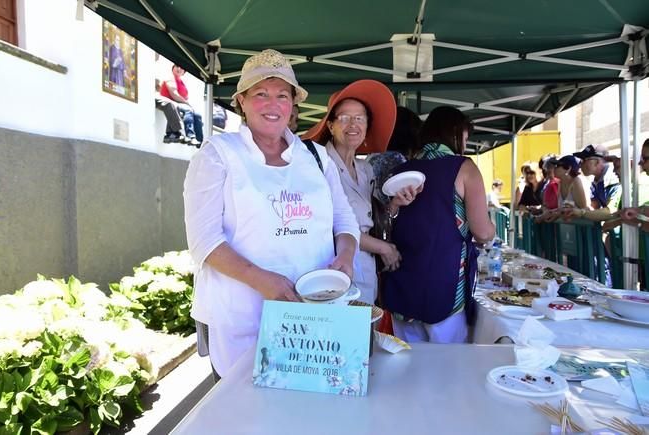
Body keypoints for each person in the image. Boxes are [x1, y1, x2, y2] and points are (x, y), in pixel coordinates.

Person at [183, 49, 360, 378]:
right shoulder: (218, 155)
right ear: (242, 102)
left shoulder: (317, 157)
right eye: (260, 94)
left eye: (282, 95)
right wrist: (259, 279)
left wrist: (346, 257)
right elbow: (204, 241)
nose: (272, 104)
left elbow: (345, 222)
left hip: (315, 313)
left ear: (293, 104)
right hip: (243, 316)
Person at [382, 106, 495, 344]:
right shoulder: (464, 167)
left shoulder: (400, 170)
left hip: (402, 282)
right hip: (445, 283)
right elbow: (483, 233)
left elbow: (386, 225)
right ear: (455, 133)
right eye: (465, 136)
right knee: (448, 367)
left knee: (407, 365)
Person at [303, 80, 417, 305]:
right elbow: (332, 225)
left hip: (366, 267)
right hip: (334, 266)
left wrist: (394, 204)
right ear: (330, 126)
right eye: (344, 118)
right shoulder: (318, 165)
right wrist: (383, 248)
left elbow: (370, 218)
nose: (352, 124)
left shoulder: (366, 169)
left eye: (360, 118)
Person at [565, 144, 621, 221]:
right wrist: (573, 211)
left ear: (597, 162)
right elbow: (594, 209)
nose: (580, 165)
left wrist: (581, 213)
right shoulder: (596, 182)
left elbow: (610, 212)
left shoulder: (613, 180)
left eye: (583, 160)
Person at [160, 64, 204, 147]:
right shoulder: (170, 78)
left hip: (179, 104)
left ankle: (200, 141)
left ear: (184, 72)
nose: (179, 69)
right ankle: (190, 136)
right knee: (188, 110)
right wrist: (187, 104)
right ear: (173, 68)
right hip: (170, 103)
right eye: (177, 66)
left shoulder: (182, 82)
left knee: (197, 115)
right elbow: (174, 95)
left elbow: (186, 96)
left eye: (182, 68)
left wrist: (187, 103)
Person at [155, 78, 185, 143]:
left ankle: (170, 133)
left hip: (158, 95)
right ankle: (175, 131)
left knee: (175, 105)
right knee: (169, 104)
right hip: (152, 95)